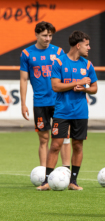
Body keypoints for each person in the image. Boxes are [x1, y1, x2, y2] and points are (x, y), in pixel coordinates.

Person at [36, 31, 98, 191]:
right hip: (62, 112)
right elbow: (56, 86)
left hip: (81, 112)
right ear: (78, 45)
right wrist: (77, 83)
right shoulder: (58, 62)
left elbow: (94, 88)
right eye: (87, 45)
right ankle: (46, 182)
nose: (89, 48)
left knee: (78, 145)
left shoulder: (88, 64)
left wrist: (84, 88)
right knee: (55, 145)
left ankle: (73, 181)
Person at [20, 21, 71, 168]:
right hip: (40, 103)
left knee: (64, 137)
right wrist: (23, 104)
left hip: (59, 102)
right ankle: (44, 173)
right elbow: (23, 80)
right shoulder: (26, 54)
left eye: (50, 35)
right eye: (44, 35)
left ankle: (66, 171)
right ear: (36, 34)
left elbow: (66, 76)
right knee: (43, 139)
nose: (47, 39)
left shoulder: (59, 52)